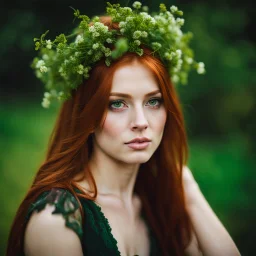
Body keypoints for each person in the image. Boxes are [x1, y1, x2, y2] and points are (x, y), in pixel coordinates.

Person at [7, 2, 240, 256]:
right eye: (117, 103)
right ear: (87, 113)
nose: (141, 121)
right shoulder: (56, 220)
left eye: (153, 101)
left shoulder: (161, 207)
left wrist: (188, 189)